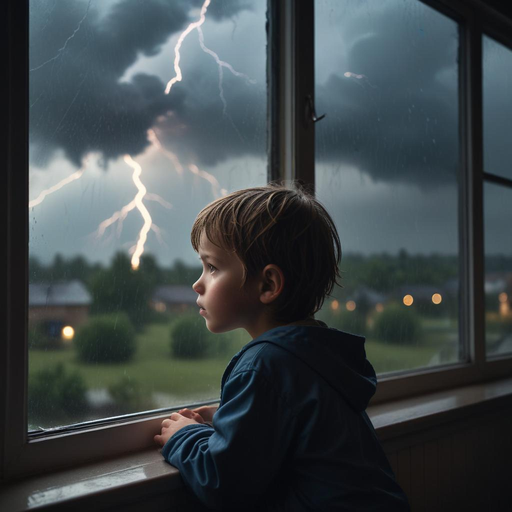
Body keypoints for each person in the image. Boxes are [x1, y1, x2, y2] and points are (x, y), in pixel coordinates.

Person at [154, 184, 410, 511]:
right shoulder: (316, 355)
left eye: (212, 267)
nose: (197, 283)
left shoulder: (265, 365)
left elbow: (222, 482)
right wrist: (228, 419)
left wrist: (184, 436)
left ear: (268, 285)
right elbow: (300, 422)